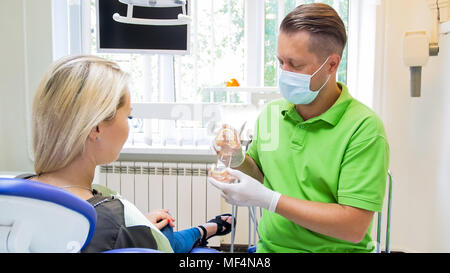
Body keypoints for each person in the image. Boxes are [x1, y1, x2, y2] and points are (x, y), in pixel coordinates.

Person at [208, 3, 389, 253]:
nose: (284, 73)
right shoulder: (272, 114)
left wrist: (270, 200)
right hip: (268, 250)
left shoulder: (364, 128)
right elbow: (261, 177)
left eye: (295, 64)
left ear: (331, 64)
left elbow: (353, 227)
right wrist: (237, 158)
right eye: (280, 61)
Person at [25, 55, 234, 253]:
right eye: (129, 116)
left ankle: (205, 229)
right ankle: (206, 230)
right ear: (96, 128)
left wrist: (137, 225)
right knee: (167, 231)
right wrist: (135, 228)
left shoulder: (13, 196)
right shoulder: (114, 221)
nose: (129, 124)